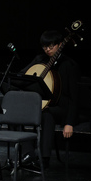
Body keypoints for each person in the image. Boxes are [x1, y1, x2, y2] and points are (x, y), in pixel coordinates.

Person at [21, 30, 81, 170]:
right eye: (44, 46)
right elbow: (23, 75)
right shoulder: (40, 59)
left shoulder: (69, 65)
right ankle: (28, 153)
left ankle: (44, 159)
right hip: (42, 103)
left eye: (51, 46)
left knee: (47, 114)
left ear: (60, 45)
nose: (47, 49)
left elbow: (74, 97)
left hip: (62, 107)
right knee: (16, 112)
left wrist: (69, 123)